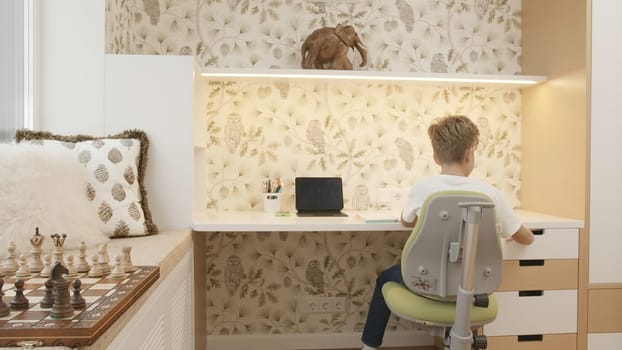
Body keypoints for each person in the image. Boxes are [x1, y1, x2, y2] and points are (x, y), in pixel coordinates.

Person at [361, 115, 535, 350]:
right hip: (476, 286)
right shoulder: (491, 194)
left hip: (425, 282)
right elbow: (524, 237)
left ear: (435, 157)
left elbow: (406, 221)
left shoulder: (424, 188)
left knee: (385, 277)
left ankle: (369, 347)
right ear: (469, 155)